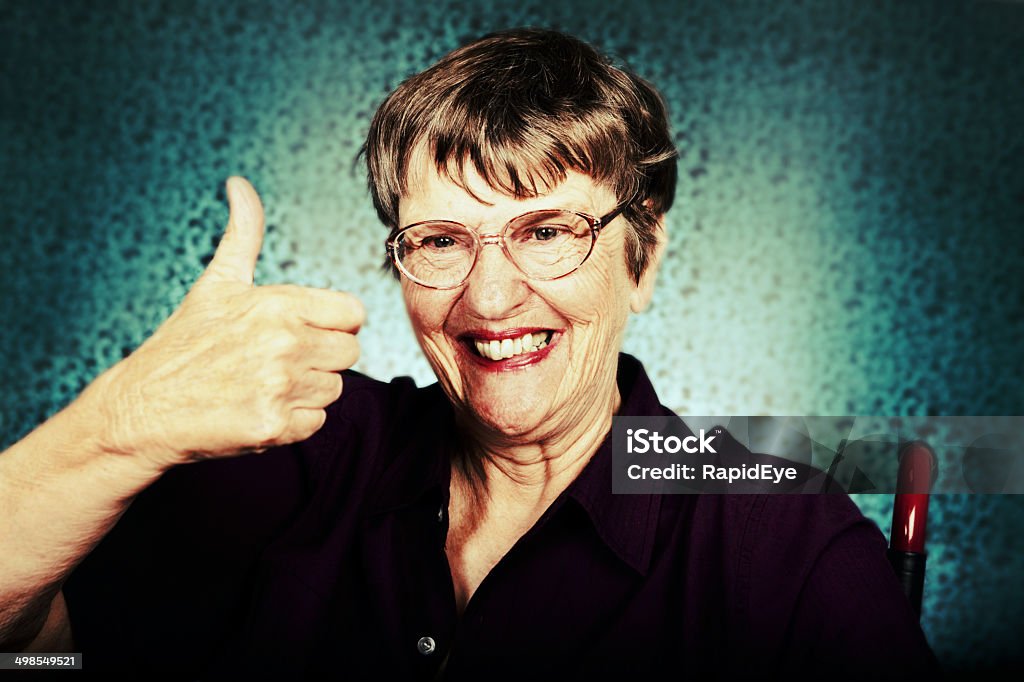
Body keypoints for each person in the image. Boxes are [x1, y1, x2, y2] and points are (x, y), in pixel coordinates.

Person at [0, 28, 936, 679]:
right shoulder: (297, 453)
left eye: (546, 232)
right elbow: (39, 655)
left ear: (642, 257)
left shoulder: (781, 540)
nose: (489, 299)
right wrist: (121, 426)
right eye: (441, 241)